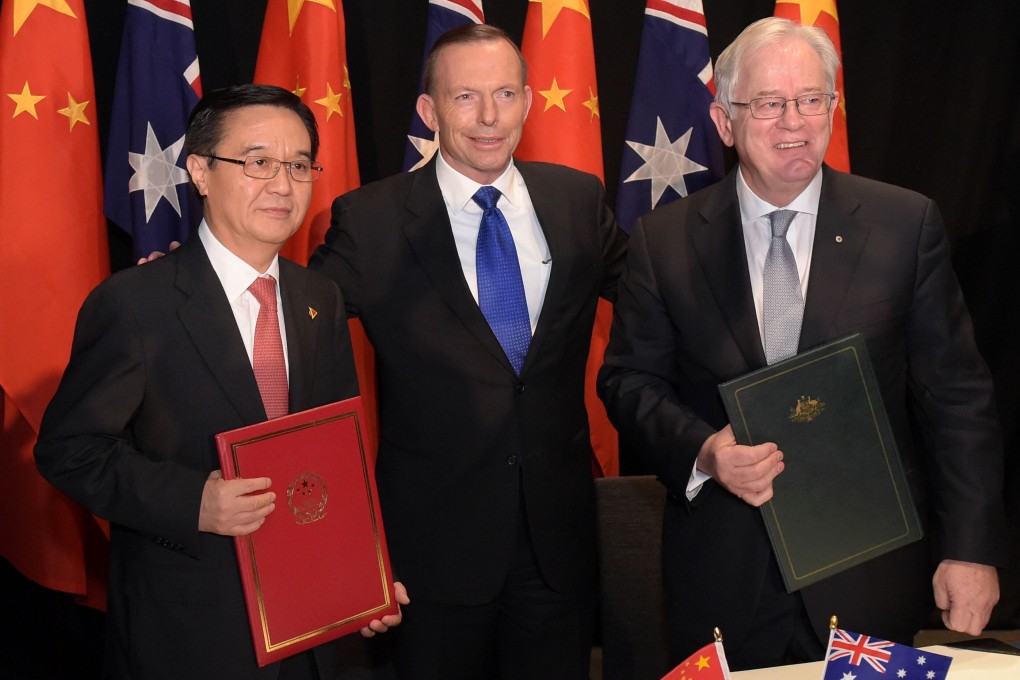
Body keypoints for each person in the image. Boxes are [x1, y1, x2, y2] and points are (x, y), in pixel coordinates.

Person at [597, 17, 1007, 672]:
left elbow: (956, 399)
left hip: (868, 574)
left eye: (812, 99)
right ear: (725, 121)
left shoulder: (906, 225)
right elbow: (627, 382)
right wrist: (703, 451)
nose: (795, 121)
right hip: (721, 579)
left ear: (833, 108)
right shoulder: (663, 241)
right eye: (769, 104)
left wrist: (972, 548)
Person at [35, 84, 406, 680]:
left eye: (299, 165)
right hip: (190, 630)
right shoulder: (134, 304)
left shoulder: (320, 298)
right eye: (258, 162)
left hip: (315, 628)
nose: (283, 185)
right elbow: (68, 451)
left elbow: (331, 458)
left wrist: (361, 578)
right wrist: (193, 501)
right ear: (201, 172)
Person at [308, 24, 627, 680]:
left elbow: (660, 294)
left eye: (506, 93)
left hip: (556, 550)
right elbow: (295, 323)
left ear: (529, 102)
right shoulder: (370, 222)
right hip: (430, 558)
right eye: (465, 98)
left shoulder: (576, 200)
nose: (489, 117)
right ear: (428, 111)